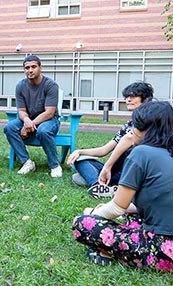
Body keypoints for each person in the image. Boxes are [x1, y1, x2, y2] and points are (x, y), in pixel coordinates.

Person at [72, 101, 173, 272]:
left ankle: (107, 250)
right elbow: (158, 200)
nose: (132, 130)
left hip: (162, 251)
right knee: (132, 216)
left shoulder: (142, 153)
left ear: (150, 130)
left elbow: (117, 208)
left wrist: (94, 214)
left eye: (137, 126)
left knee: (82, 223)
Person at [67, 81, 154, 198]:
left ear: (145, 99)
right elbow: (104, 150)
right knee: (81, 160)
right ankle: (99, 185)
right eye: (127, 97)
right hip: (116, 171)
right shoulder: (128, 125)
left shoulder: (151, 122)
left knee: (79, 178)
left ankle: (96, 181)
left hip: (134, 171)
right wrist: (79, 152)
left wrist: (107, 167)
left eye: (133, 96)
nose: (128, 99)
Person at [4, 55, 62, 178]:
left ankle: (54, 165)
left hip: (50, 121)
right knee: (9, 127)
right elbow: (21, 111)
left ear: (40, 68)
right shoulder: (20, 86)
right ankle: (27, 162)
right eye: (27, 68)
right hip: (29, 119)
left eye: (33, 67)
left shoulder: (50, 85)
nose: (30, 70)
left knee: (43, 130)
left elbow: (49, 112)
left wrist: (30, 124)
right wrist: (26, 120)